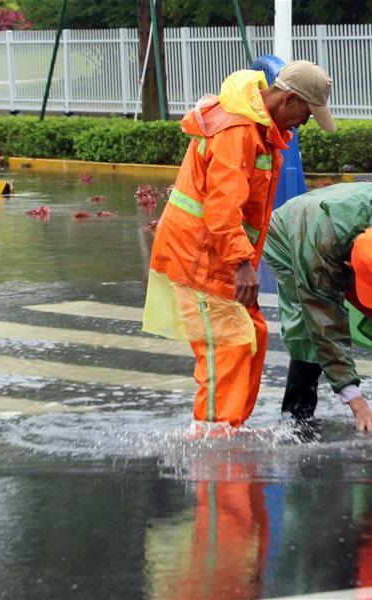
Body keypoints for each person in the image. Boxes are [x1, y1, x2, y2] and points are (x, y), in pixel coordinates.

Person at [142, 60, 337, 427]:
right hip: (198, 258)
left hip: (215, 256)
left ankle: (230, 430)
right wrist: (241, 264)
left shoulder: (258, 131)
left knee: (254, 335)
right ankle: (215, 437)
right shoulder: (238, 130)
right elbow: (221, 208)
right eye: (306, 114)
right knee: (228, 347)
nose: (304, 123)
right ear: (289, 99)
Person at [261, 182, 372, 432]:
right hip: (289, 238)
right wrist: (358, 405)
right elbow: (325, 327)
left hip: (338, 234)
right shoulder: (316, 251)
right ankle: (297, 414)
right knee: (308, 328)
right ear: (349, 266)